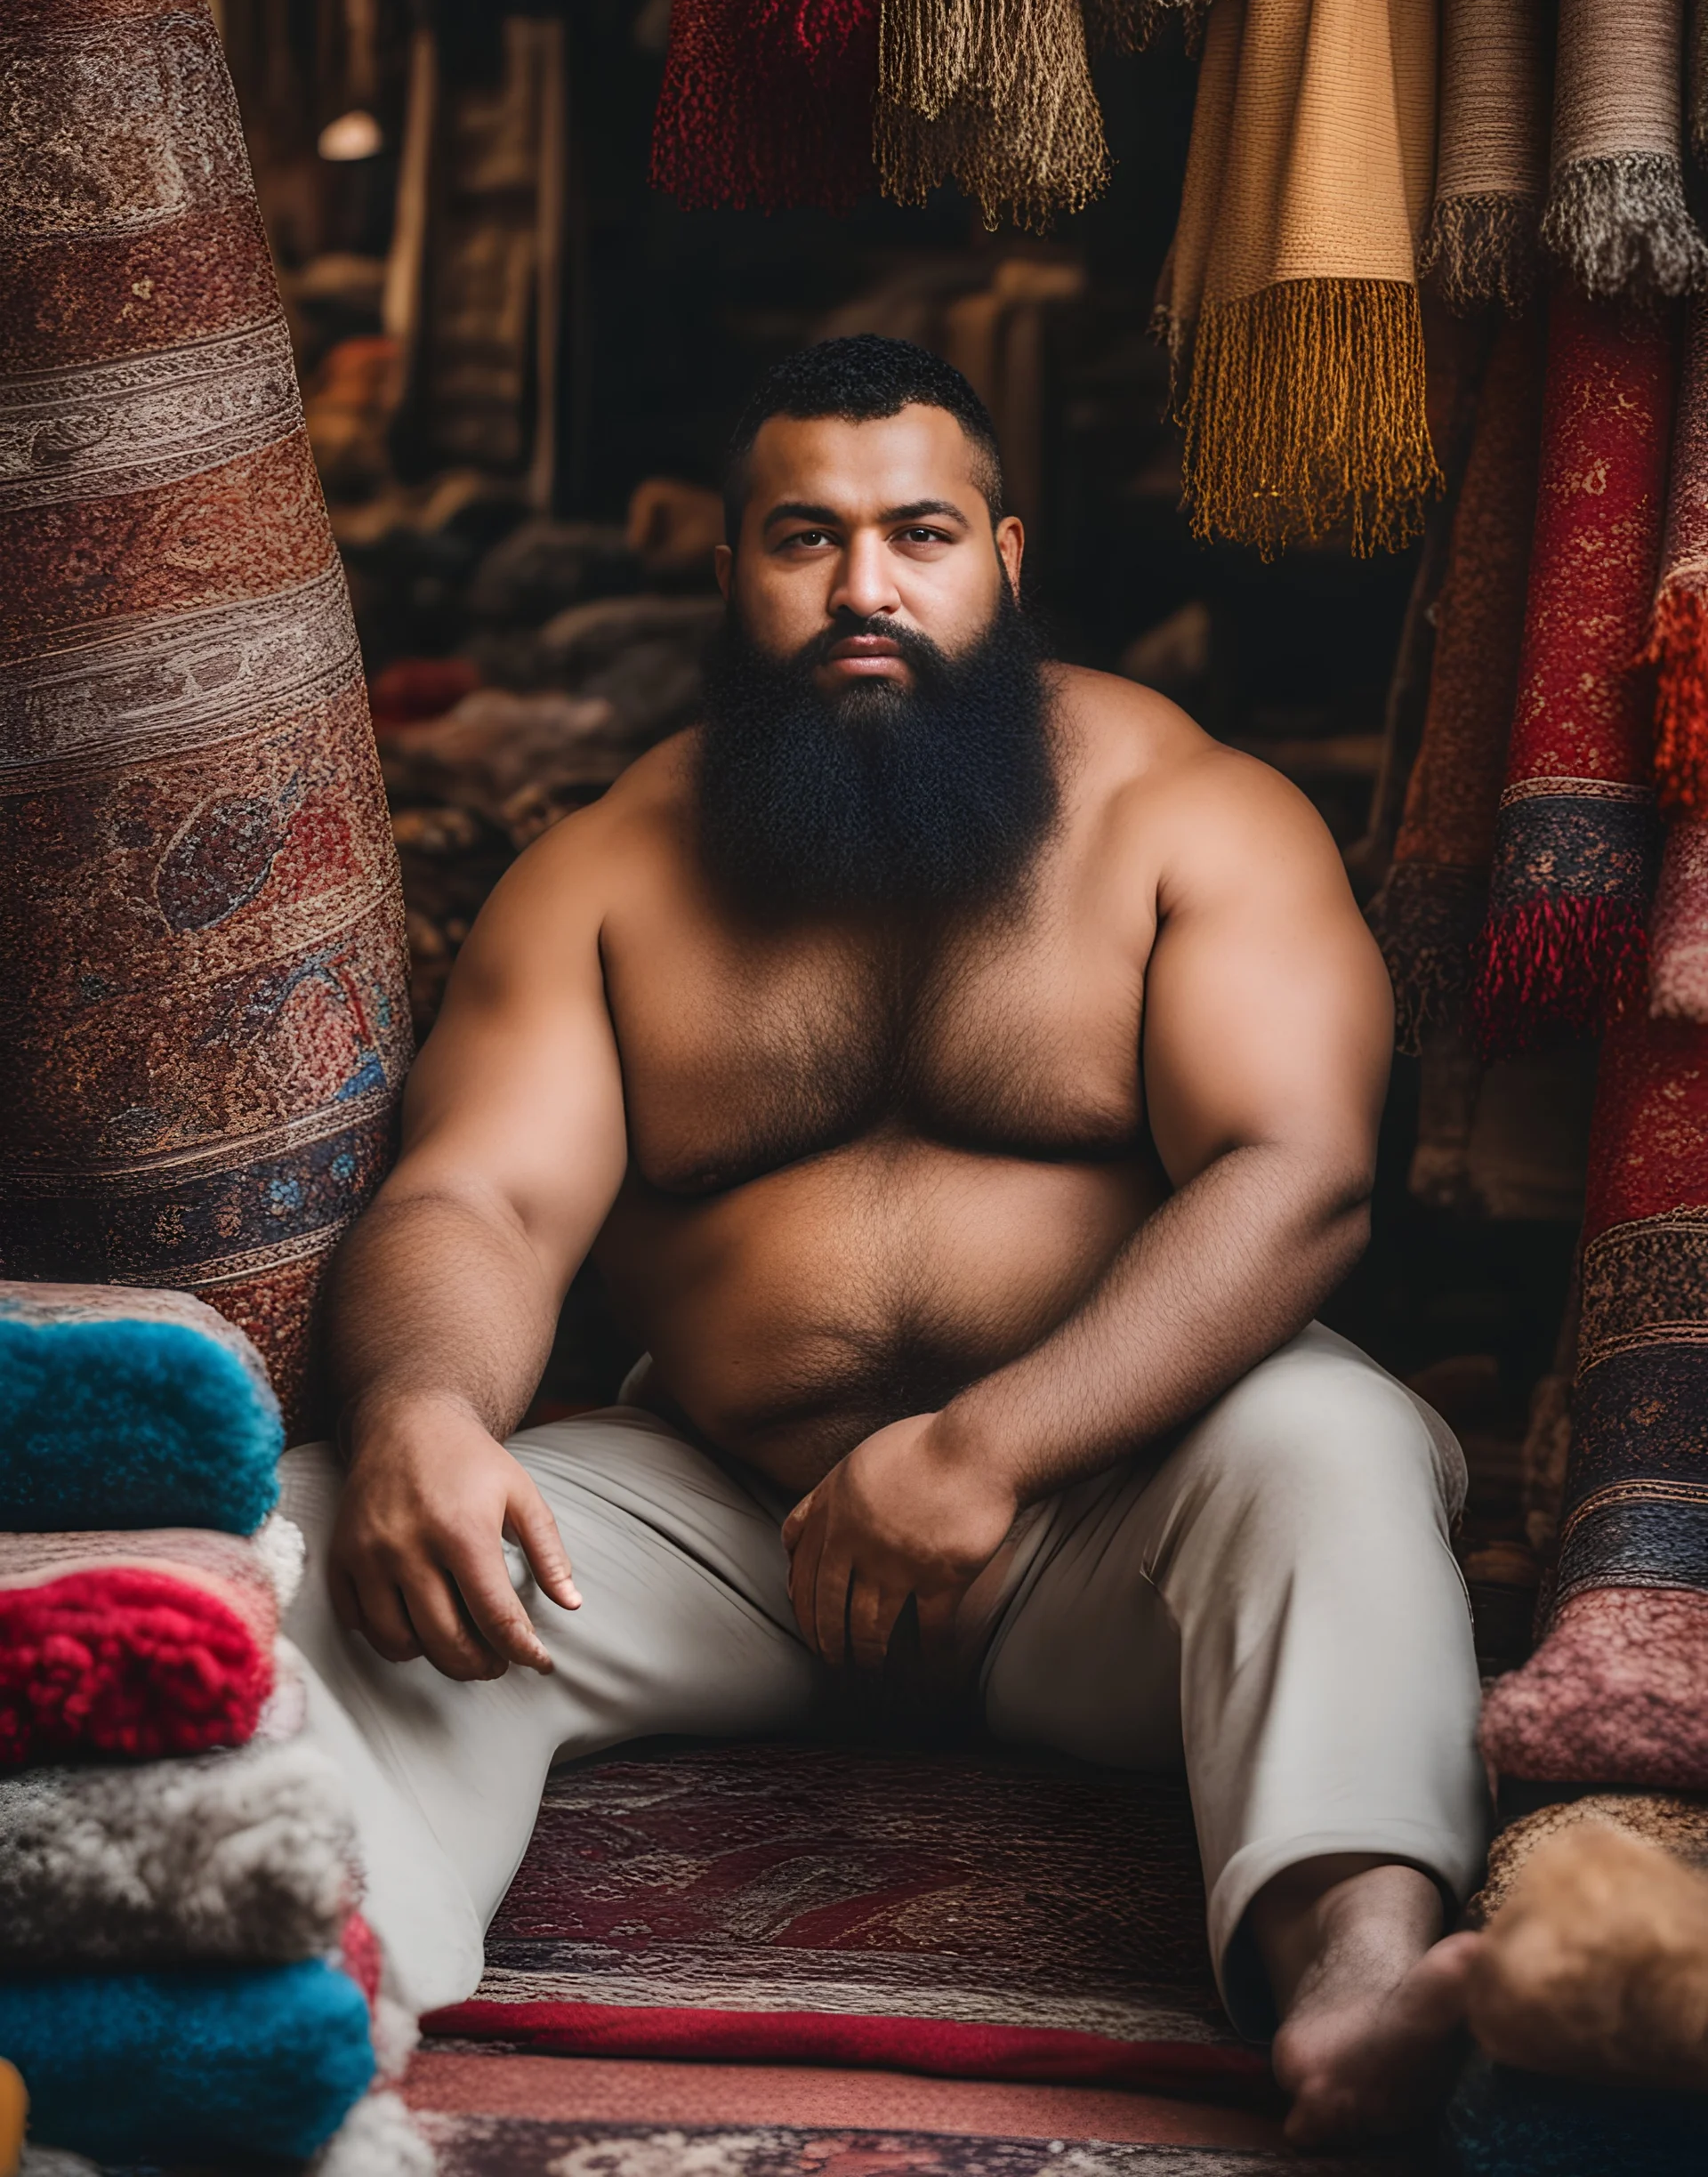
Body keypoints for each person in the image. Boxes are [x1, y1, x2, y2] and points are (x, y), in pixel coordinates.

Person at [281, 335, 1486, 2148]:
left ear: (1004, 557)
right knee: (312, 1526)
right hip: (726, 1526)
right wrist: (426, 1416)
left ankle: (1361, 1988)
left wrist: (988, 1448)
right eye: (803, 538)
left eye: (918, 533)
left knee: (1338, 1443)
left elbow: (1292, 1171)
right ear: (728, 572)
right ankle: (317, 1987)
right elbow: (478, 1199)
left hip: (1105, 1532)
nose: (864, 588)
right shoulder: (609, 868)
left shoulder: (1186, 814)